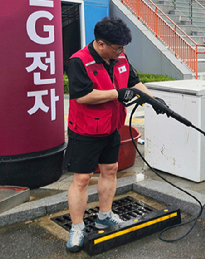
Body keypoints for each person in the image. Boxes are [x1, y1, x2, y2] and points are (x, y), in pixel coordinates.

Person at [63, 16, 165, 252]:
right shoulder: (79, 61)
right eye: (117, 47)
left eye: (123, 48)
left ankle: (104, 215)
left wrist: (152, 99)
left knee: (110, 169)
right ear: (100, 44)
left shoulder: (120, 57)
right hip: (85, 130)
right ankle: (77, 227)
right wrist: (116, 94)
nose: (121, 52)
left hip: (111, 127)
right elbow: (82, 96)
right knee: (82, 179)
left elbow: (134, 81)